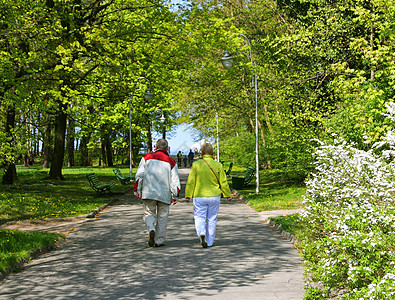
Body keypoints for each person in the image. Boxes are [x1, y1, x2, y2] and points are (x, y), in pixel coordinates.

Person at [134, 139, 181, 247]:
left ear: (155, 147)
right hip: (164, 193)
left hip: (148, 191)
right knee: (162, 217)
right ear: (167, 148)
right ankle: (159, 240)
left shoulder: (146, 158)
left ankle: (151, 228)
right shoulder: (171, 161)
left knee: (149, 213)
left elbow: (139, 175)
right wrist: (175, 195)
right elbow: (175, 181)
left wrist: (137, 190)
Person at [185, 143, 232, 248]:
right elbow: (223, 182)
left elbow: (191, 181)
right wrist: (227, 194)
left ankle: (201, 233)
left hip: (199, 195)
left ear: (201, 152)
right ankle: (209, 242)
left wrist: (188, 194)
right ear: (212, 153)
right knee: (212, 219)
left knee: (199, 217)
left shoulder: (196, 165)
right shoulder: (218, 165)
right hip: (214, 196)